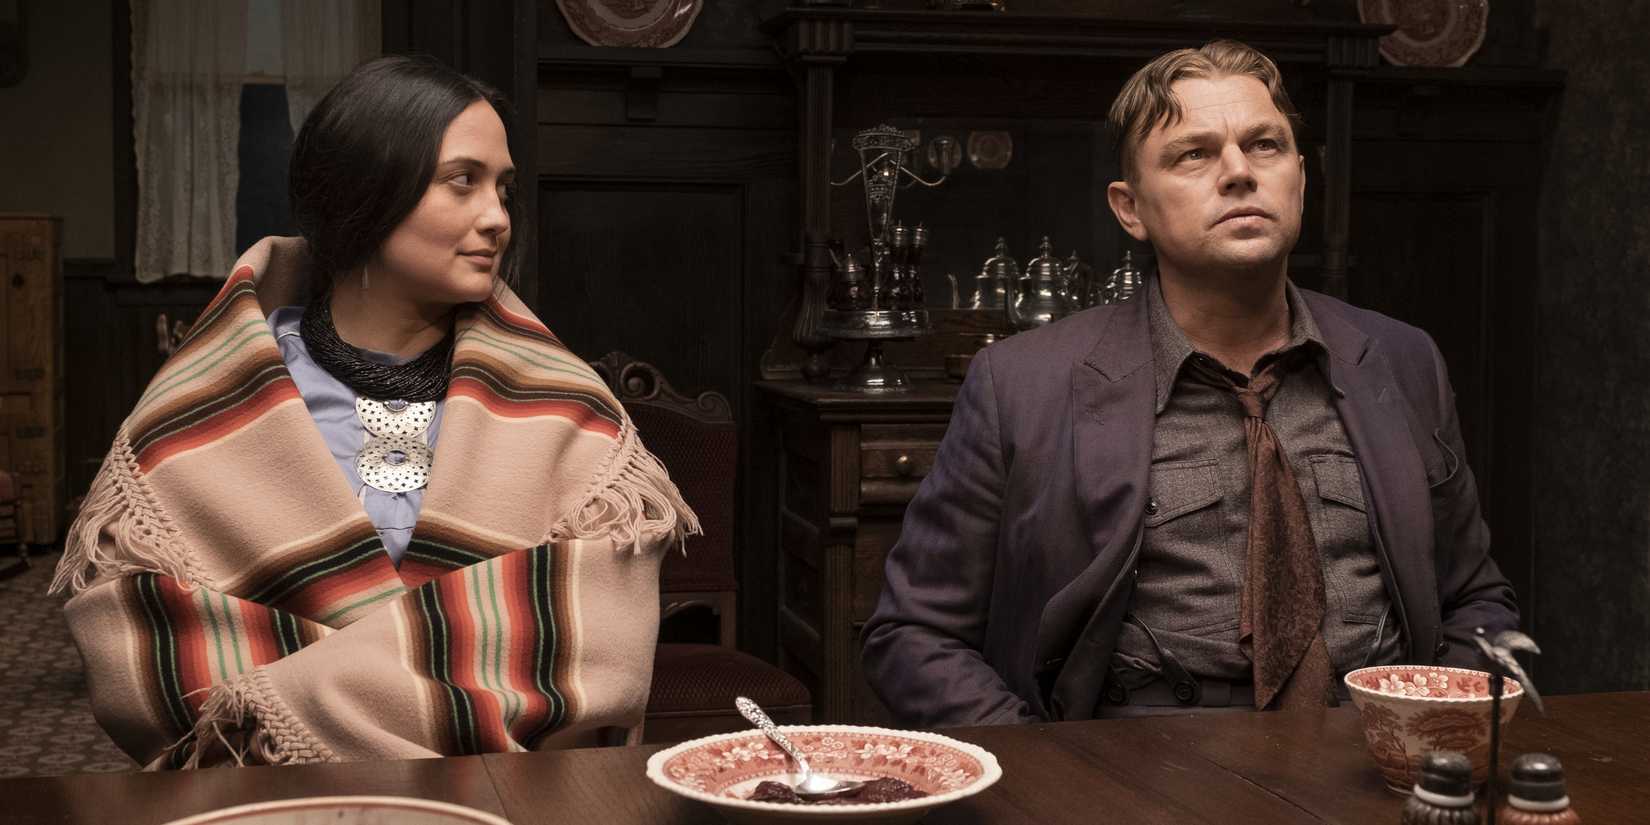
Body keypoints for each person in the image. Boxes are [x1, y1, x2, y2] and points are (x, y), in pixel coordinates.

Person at [51, 55, 697, 768]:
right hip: (265, 795)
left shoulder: (565, 408)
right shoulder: (211, 404)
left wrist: (301, 692)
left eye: (503, 189)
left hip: (504, 792)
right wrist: (422, 683)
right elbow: (147, 646)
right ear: (367, 187)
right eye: (463, 180)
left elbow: (596, 646)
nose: (496, 219)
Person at [860, 40, 1517, 727]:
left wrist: (1432, 736)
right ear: (1130, 209)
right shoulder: (1021, 385)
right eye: (1193, 155)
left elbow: (1476, 600)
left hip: (1373, 759)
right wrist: (1046, 767)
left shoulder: (1402, 360)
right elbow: (912, 634)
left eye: (1264, 145)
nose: (1238, 172)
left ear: (1300, 177)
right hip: (1129, 773)